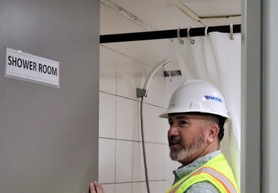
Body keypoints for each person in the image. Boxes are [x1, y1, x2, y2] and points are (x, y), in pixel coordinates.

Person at [90, 79, 239, 193]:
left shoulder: (202, 187)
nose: (171, 131)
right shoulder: (214, 170)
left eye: (183, 122)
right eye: (171, 122)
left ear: (211, 133)